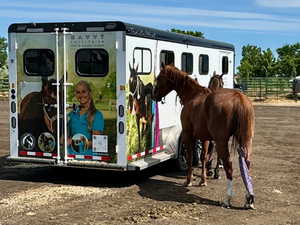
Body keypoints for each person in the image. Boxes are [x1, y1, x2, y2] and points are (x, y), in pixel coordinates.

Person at [67, 80, 104, 152]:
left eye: (83, 92)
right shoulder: (72, 114)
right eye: (78, 92)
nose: (81, 95)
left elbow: (98, 144)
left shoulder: (97, 115)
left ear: (90, 93)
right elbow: (65, 136)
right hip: (70, 157)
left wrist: (74, 141)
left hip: (88, 158)